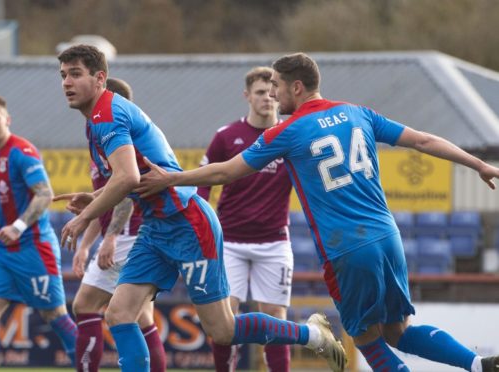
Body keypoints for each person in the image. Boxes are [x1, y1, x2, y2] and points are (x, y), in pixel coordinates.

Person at [137, 52, 499, 372]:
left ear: (296, 87)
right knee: (397, 331)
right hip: (388, 237)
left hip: (347, 248)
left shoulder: (288, 131)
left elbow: (225, 171)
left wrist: (172, 178)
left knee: (367, 341)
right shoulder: (358, 113)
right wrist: (478, 164)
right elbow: (423, 139)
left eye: (276, 85)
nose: (273, 94)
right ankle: (475, 363)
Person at [55, 44, 347, 372]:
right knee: (119, 314)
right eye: (64, 75)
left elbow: (128, 177)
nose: (66, 82)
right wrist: (94, 198)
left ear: (100, 79)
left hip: (187, 222)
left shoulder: (106, 114)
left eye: (75, 74)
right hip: (156, 227)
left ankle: (312, 334)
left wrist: (85, 217)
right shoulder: (98, 117)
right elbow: (134, 181)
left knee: (223, 330)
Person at [0, 95, 77, 372]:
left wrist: (18, 227)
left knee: (54, 315)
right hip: (2, 253)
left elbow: (44, 195)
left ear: (7, 120)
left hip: (33, 247)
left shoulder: (22, 151)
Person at [198, 67, 293, 372]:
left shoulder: (291, 135)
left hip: (275, 240)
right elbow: (203, 184)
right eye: (261, 92)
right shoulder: (226, 137)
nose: (268, 97)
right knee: (225, 320)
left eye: (272, 91)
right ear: (247, 96)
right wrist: (202, 224)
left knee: (276, 320)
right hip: (230, 242)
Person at [67, 78, 166, 372]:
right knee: (141, 317)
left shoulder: (112, 126)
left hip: (132, 235)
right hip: (129, 235)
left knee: (85, 305)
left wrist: (110, 238)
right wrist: (86, 245)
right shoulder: (94, 130)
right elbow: (107, 199)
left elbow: (125, 188)